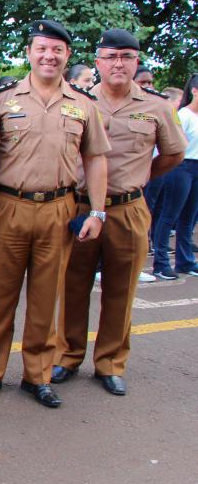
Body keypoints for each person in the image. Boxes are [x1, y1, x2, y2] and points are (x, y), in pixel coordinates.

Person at [0, 19, 110, 409]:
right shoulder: (2, 99)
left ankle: (38, 375)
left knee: (46, 299)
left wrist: (97, 211)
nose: (49, 56)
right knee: (0, 297)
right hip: (9, 207)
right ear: (29, 53)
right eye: (41, 49)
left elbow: (96, 159)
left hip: (59, 209)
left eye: (57, 50)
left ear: (67, 55)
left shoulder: (83, 104)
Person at [52, 29, 186, 396]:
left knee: (120, 289)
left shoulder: (158, 106)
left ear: (136, 62)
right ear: (97, 62)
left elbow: (174, 153)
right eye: (110, 57)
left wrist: (142, 177)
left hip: (127, 208)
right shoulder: (77, 100)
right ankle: (67, 356)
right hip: (78, 207)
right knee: (73, 285)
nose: (118, 64)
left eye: (126, 57)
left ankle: (110, 363)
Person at [152, 73, 198, 278]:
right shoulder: (184, 115)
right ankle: (161, 263)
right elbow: (173, 145)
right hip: (181, 167)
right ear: (194, 91)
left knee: (188, 218)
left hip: (196, 166)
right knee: (169, 215)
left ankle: (185, 261)